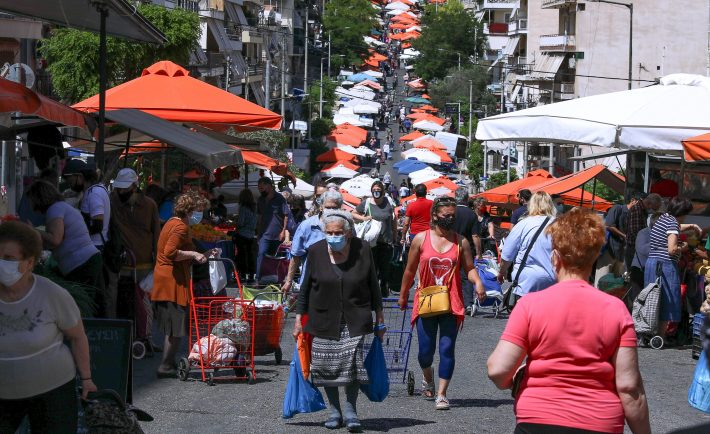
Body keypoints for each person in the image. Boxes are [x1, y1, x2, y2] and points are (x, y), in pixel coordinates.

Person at [487, 208, 651, 434]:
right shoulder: (616, 310)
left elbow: (498, 369)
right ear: (594, 257)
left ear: (555, 257)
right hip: (599, 422)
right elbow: (629, 387)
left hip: (537, 419)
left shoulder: (530, 305)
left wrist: (515, 379)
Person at [0, 221, 98, 433]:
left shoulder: (52, 294)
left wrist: (87, 378)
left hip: (51, 390)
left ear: (29, 262)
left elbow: (78, 336)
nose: (1, 263)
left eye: (8, 258)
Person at [293, 211, 385, 432]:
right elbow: (305, 288)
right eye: (329, 233)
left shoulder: (362, 249)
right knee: (326, 367)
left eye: (338, 233)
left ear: (349, 233)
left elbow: (373, 283)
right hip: (323, 317)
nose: (333, 236)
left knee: (352, 365)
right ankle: (334, 411)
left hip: (356, 316)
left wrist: (379, 318)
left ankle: (351, 410)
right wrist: (298, 320)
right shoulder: (315, 251)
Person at [398, 196, 485, 410]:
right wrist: (403, 295)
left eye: (453, 216)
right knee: (425, 351)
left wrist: (478, 283)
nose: (450, 219)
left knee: (447, 348)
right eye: (446, 216)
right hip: (426, 299)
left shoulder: (460, 241)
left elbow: (469, 268)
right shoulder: (420, 239)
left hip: (451, 302)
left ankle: (442, 394)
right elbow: (409, 270)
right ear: (435, 215)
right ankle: (428, 378)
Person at [151, 191, 213, 378]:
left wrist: (205, 254)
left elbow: (181, 253)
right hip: (172, 281)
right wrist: (193, 255)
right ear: (190, 210)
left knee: (174, 326)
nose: (200, 215)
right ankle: (165, 365)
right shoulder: (180, 227)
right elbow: (171, 252)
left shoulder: (173, 223)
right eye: (199, 210)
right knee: (176, 327)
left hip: (168, 278)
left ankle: (167, 364)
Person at [26, 181, 105, 312]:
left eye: (31, 200)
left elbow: (55, 239)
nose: (31, 204)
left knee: (81, 308)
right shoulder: (61, 207)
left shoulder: (55, 209)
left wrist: (33, 230)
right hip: (87, 260)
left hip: (82, 263)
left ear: (38, 198)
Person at [110, 168, 161, 332]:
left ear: (134, 186)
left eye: (125, 188)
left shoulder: (149, 205)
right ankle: (125, 335)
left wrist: (158, 262)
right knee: (123, 303)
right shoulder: (113, 201)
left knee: (143, 306)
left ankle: (145, 337)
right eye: (119, 188)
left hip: (145, 265)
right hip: (122, 264)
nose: (121, 191)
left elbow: (156, 235)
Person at [644, 196, 698, 339]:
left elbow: (676, 228)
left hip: (652, 263)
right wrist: (684, 246)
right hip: (665, 265)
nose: (685, 217)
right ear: (681, 212)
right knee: (667, 299)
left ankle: (649, 333)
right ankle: (660, 336)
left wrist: (692, 226)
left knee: (653, 298)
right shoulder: (673, 223)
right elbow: (672, 249)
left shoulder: (663, 219)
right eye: (686, 214)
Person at [497, 192, 556, 304]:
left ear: (531, 205)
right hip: (552, 278)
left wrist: (502, 272)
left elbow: (507, 254)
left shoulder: (523, 224)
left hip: (527, 280)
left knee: (526, 317)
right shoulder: (560, 224)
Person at [282, 189, 343, 294]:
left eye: (335, 208)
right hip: (312, 284)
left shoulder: (346, 226)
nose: (331, 210)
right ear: (321, 207)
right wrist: (289, 281)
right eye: (328, 207)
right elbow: (296, 255)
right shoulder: (307, 226)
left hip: (339, 283)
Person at [353, 181, 398, 296]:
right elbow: (353, 213)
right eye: (374, 190)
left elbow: (393, 219)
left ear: (382, 191)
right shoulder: (367, 202)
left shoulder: (389, 202)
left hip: (386, 241)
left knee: (385, 268)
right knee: (372, 267)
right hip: (371, 242)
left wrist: (395, 236)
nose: (376, 192)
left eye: (378, 190)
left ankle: (383, 288)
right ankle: (371, 289)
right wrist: (363, 218)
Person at [255, 177, 290, 282]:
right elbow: (259, 216)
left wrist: (283, 231)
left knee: (273, 257)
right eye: (259, 188)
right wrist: (258, 232)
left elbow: (286, 215)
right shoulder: (260, 200)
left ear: (269, 186)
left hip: (276, 234)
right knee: (261, 254)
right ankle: (258, 279)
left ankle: (271, 278)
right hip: (264, 235)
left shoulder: (280, 199)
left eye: (262, 188)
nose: (260, 190)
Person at [452, 188, 479, 312]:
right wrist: (479, 252)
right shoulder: (472, 214)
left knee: (450, 274)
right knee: (467, 275)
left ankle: (451, 301)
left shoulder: (451, 211)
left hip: (450, 246)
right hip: (467, 248)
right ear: (467, 198)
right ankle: (468, 303)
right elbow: (475, 236)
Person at [595, 197, 632, 286]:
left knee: (614, 283)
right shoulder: (617, 208)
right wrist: (625, 236)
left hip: (620, 253)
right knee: (602, 279)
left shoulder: (632, 214)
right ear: (633, 200)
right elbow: (609, 225)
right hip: (609, 249)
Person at [625, 193, 662, 271]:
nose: (655, 211)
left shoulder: (642, 210)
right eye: (655, 208)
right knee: (634, 274)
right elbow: (635, 231)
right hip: (633, 248)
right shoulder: (636, 209)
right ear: (650, 204)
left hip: (637, 247)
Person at [235, 189, 257, 281]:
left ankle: (243, 274)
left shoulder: (243, 207)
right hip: (251, 234)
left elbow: (241, 222)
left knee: (242, 255)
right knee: (250, 255)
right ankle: (251, 275)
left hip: (242, 234)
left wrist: (236, 222)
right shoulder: (254, 207)